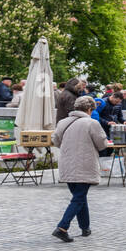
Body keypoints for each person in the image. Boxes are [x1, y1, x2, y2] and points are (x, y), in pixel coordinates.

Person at [51, 95, 111, 242]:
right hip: (85, 164)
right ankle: (62, 227)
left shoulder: (63, 122)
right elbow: (102, 144)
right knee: (79, 197)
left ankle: (85, 228)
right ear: (89, 109)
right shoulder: (92, 123)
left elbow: (56, 141)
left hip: (67, 163)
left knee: (79, 196)